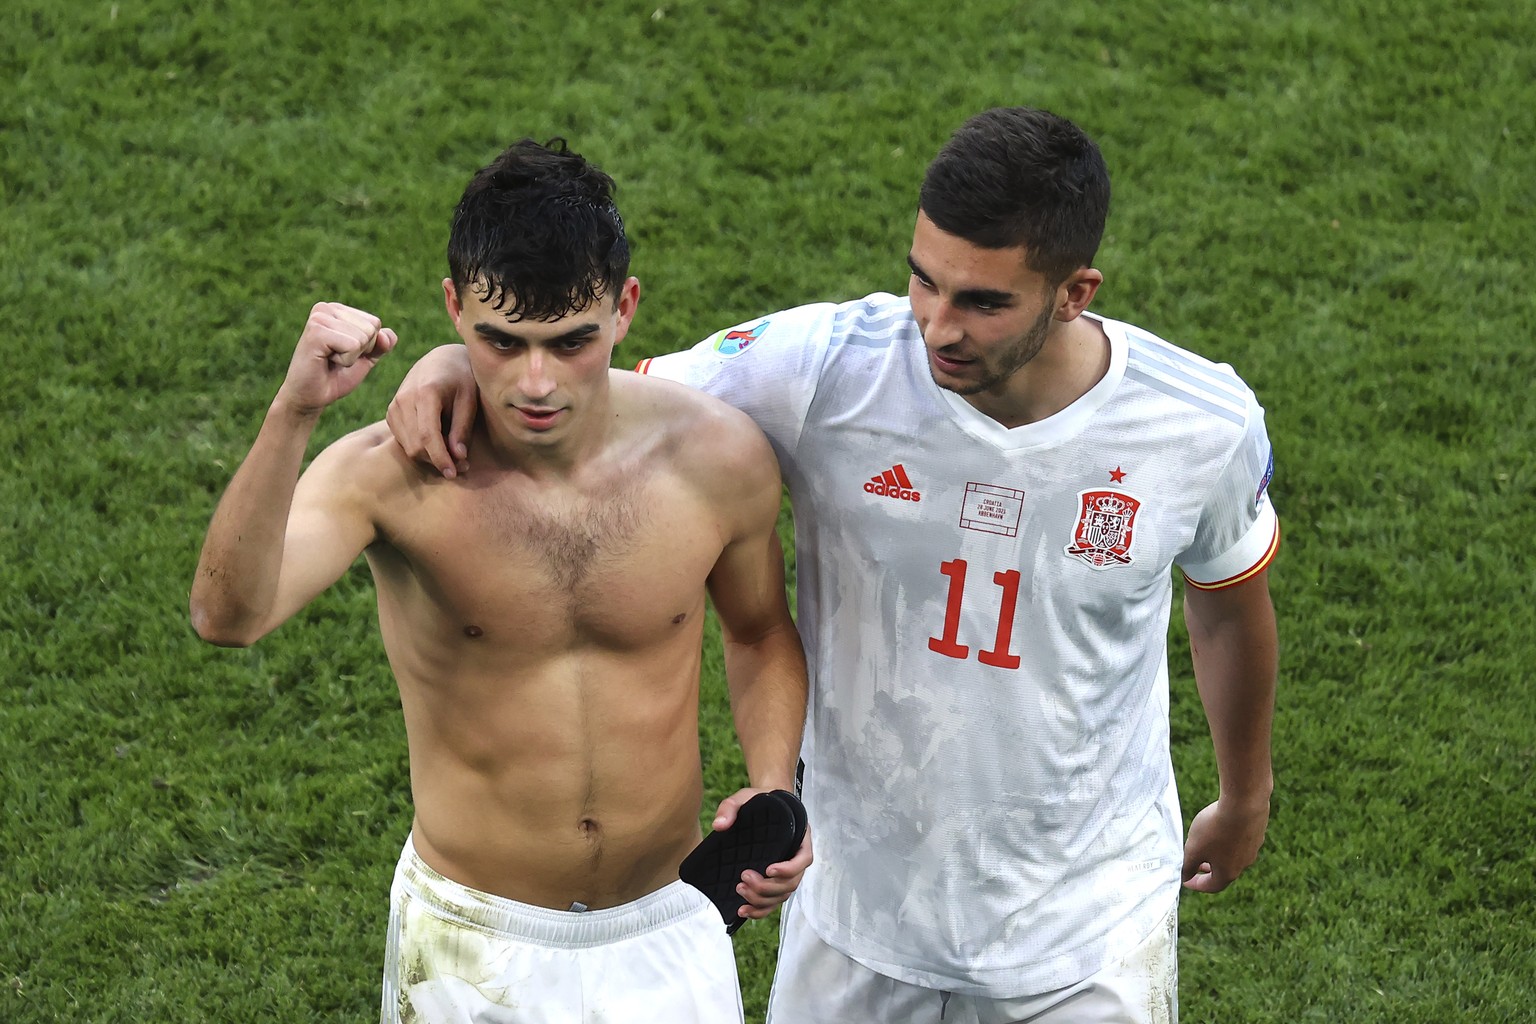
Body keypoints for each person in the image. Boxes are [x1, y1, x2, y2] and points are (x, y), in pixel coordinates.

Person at [386, 108, 1280, 1024]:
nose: (937, 326)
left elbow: (1226, 604)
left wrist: (1246, 795)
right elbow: (593, 388)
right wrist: (455, 362)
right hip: (853, 914)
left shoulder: (1198, 423)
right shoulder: (826, 369)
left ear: (1074, 293)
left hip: (1085, 933)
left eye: (982, 301)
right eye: (923, 282)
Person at [189, 138, 812, 1024]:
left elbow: (757, 632)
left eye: (571, 343)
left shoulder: (718, 458)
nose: (535, 383)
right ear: (453, 308)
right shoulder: (392, 475)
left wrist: (772, 780)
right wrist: (294, 412)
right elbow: (227, 614)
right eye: (499, 341)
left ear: (625, 307)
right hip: (470, 942)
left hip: (669, 921)